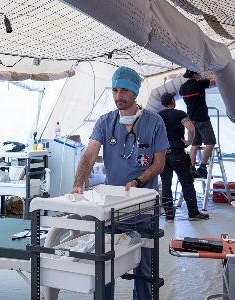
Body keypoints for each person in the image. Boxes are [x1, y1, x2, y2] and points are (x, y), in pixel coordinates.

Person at [72, 66, 169, 299]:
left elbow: (159, 164)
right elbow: (89, 154)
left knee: (144, 269)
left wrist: (138, 181)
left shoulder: (154, 123)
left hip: (144, 207)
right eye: (114, 90)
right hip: (112, 208)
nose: (118, 96)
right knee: (104, 266)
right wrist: (78, 184)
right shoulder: (105, 122)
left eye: (124, 90)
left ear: (135, 92)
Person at [158, 92, 209, 222]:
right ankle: (193, 213)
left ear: (163, 103)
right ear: (172, 101)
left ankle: (169, 216)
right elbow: (191, 129)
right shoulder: (180, 114)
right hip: (177, 153)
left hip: (163, 154)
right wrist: (188, 141)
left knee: (166, 184)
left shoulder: (158, 116)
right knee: (186, 182)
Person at [179, 69, 216, 178]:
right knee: (210, 142)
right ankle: (202, 168)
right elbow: (214, 81)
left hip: (191, 119)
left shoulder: (183, 88)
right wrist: (209, 76)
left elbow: (181, 93)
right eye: (198, 74)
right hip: (202, 118)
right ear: (195, 75)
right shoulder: (199, 84)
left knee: (195, 144)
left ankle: (191, 168)